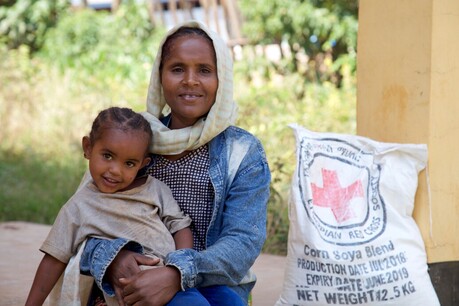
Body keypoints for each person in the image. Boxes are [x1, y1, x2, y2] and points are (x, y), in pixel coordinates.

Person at [81, 20, 271, 306]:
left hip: (213, 280)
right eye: (177, 69)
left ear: (223, 79)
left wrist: (176, 272)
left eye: (205, 70)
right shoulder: (133, 139)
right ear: (160, 76)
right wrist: (115, 258)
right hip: (139, 277)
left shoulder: (242, 151)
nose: (190, 80)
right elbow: (83, 220)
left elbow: (242, 243)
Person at [25, 106, 195, 306]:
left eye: (129, 163)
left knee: (227, 298)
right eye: (107, 156)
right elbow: (54, 260)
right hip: (132, 292)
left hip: (170, 280)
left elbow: (180, 226)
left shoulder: (155, 190)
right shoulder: (79, 207)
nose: (115, 171)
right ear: (88, 148)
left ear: (143, 163)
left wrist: (178, 269)